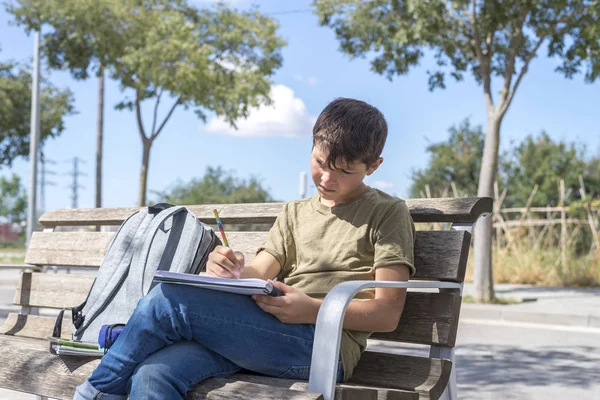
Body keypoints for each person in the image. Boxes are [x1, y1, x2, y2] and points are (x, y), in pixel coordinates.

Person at [74, 98, 415, 400]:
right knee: (153, 374)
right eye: (320, 162)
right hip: (261, 332)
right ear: (312, 146)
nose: (326, 178)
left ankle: (95, 391)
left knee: (167, 300)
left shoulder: (386, 212)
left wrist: (311, 309)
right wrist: (230, 270)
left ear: (373, 167)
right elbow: (257, 273)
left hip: (323, 346)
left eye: (343, 171)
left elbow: (387, 313)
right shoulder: (296, 213)